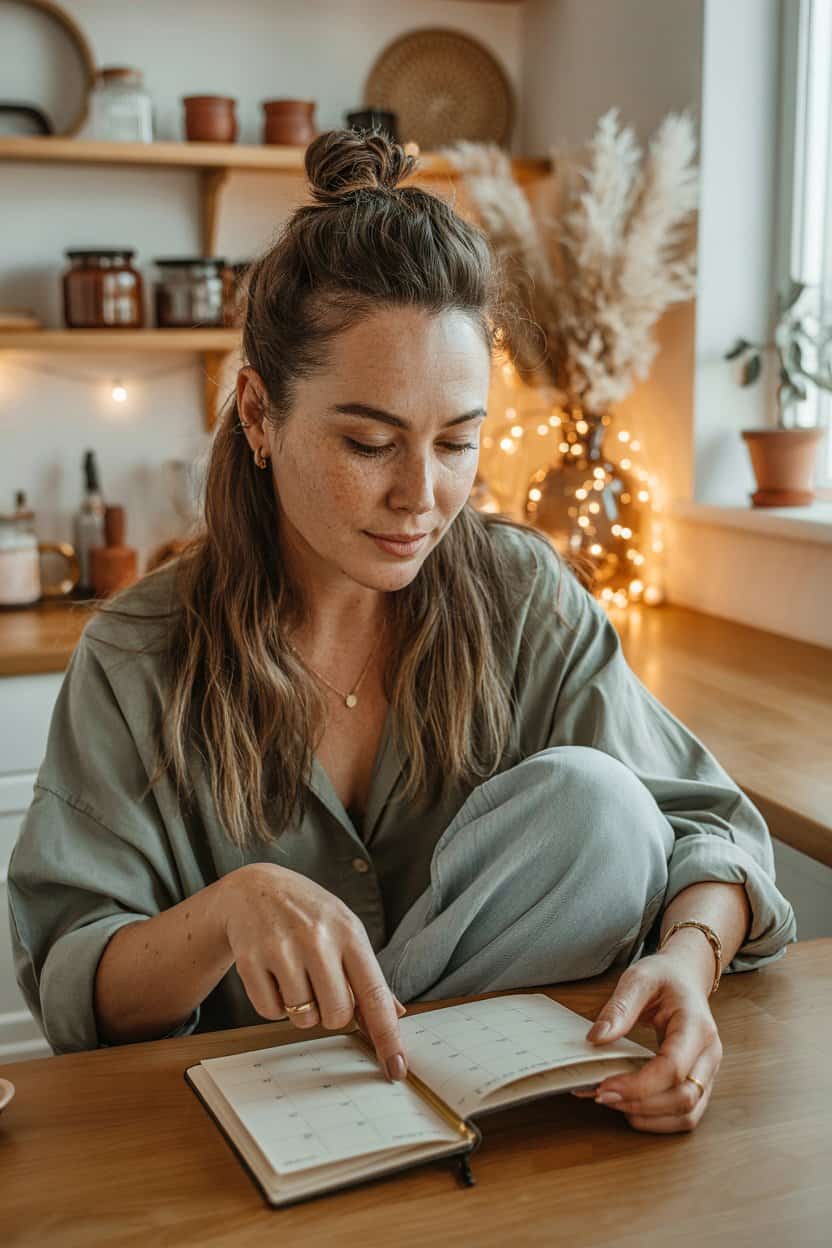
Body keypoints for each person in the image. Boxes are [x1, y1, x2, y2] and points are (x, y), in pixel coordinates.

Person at [8, 130, 796, 1136]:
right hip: (235, 1136)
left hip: (507, 1135)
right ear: (258, 411)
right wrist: (226, 912)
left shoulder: (524, 593)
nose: (421, 497)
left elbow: (712, 830)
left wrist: (686, 962)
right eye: (367, 442)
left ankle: (385, 1079)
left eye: (457, 441)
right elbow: (75, 978)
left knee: (599, 802)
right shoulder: (135, 651)